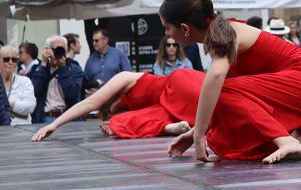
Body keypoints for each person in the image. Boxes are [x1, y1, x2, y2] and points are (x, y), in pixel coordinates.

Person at [159, 0, 301, 163]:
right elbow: (239, 104)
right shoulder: (222, 31)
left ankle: (287, 141)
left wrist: (199, 136)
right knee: (224, 125)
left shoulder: (223, 34)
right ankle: (295, 136)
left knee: (220, 92)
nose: (167, 34)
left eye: (167, 28)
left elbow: (216, 78)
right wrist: (195, 133)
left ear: (184, 28)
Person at [30, 71, 192, 142]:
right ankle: (171, 127)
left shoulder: (124, 77)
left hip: (175, 86)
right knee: (124, 120)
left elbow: (90, 102)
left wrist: (54, 124)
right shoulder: (116, 107)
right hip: (166, 108)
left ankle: (171, 127)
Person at [39, 35, 84, 125]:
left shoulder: (74, 70)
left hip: (68, 118)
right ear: (48, 50)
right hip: (46, 118)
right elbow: (35, 91)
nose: (57, 52)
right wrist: (43, 64)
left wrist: (63, 68)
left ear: (66, 50)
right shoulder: (43, 69)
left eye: (61, 48)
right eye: (54, 49)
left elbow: (73, 96)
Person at [84, 28, 132, 93]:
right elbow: (86, 81)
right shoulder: (91, 59)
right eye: (93, 41)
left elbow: (128, 75)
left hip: (116, 96)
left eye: (96, 40)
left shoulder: (119, 54)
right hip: (97, 97)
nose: (94, 43)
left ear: (105, 40)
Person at [2, 45, 36, 124]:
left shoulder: (25, 81)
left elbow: (30, 107)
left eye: (14, 60)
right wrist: (18, 112)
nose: (10, 62)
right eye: (6, 59)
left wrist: (6, 104)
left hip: (22, 130)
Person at [18, 42, 48, 123]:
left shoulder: (40, 65)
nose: (19, 54)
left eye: (21, 52)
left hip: (37, 105)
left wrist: (25, 77)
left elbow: (37, 86)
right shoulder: (17, 66)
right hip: (20, 107)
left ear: (29, 53)